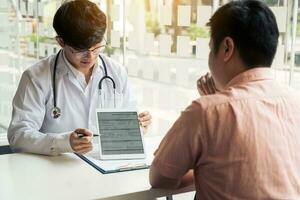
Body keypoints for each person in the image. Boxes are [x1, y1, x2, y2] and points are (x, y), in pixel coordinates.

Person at [150, 0, 300, 199]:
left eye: (212, 48)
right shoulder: (294, 101)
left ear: (227, 48)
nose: (210, 58)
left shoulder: (205, 112)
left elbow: (161, 178)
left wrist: (202, 167)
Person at [7, 0, 151, 156]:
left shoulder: (116, 72)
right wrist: (64, 142)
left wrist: (138, 127)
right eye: (80, 49)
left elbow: (126, 128)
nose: (90, 56)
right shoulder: (36, 77)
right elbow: (18, 136)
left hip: (106, 168)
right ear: (61, 41)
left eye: (96, 47)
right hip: (56, 169)